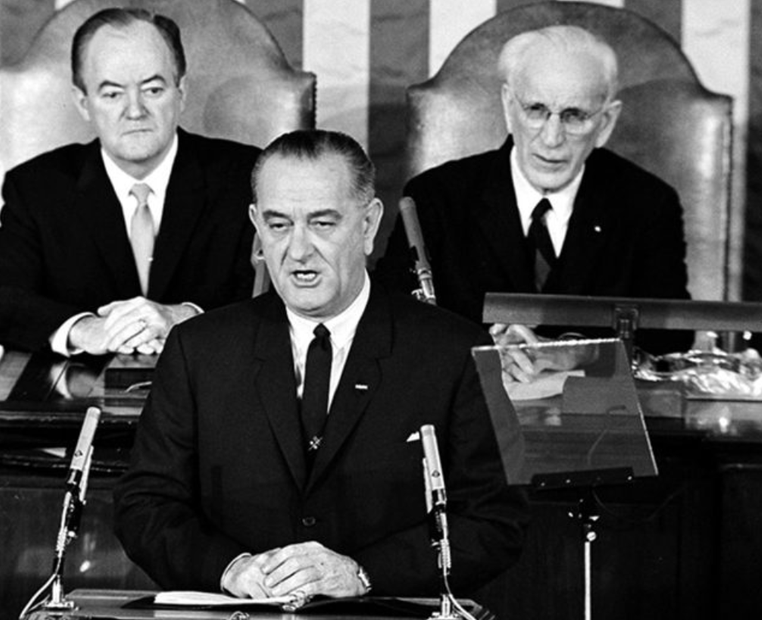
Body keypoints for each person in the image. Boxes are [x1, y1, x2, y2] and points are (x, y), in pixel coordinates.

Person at [114, 130, 524, 599]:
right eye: (278, 225)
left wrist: (363, 574)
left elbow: (496, 520)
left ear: (369, 225)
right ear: (256, 225)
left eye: (323, 224)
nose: (299, 250)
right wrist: (231, 570)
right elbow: (144, 505)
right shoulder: (199, 349)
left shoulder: (456, 351)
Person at [377, 25, 691, 361]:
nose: (552, 138)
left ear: (606, 122)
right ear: (509, 105)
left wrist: (567, 354)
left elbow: (672, 337)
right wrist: (482, 348)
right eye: (536, 110)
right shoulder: (435, 197)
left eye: (575, 116)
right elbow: (389, 319)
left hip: (594, 406)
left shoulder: (648, 204)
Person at [0, 8, 259, 355]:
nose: (135, 110)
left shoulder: (247, 177)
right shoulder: (38, 188)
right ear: (83, 102)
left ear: (181, 92)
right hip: (77, 400)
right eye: (112, 94)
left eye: (153, 89)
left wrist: (182, 318)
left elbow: (283, 299)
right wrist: (85, 328)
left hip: (217, 395)